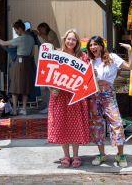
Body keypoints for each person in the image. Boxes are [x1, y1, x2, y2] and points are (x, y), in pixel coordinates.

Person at [87, 36, 132, 167]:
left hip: (108, 95)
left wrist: (130, 50)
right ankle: (102, 154)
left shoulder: (112, 57)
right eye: (91, 45)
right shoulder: (89, 60)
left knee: (117, 122)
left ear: (101, 45)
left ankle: (120, 155)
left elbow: (131, 66)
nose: (93, 47)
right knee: (96, 124)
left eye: (95, 44)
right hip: (93, 95)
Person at [48, 29, 90, 168]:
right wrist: (52, 89)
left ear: (77, 42)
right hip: (60, 96)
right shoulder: (57, 55)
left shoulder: (82, 57)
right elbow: (48, 75)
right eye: (69, 39)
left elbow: (87, 76)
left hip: (76, 97)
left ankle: (76, 155)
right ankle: (66, 156)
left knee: (75, 124)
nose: (71, 41)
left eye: (73, 39)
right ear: (64, 39)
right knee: (62, 125)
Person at [0, 19, 35, 116]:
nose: (16, 32)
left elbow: (4, 43)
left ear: (20, 28)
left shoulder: (20, 38)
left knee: (15, 86)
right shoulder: (31, 38)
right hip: (28, 62)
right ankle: (24, 109)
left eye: (16, 30)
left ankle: (14, 110)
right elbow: (32, 53)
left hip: (19, 63)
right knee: (25, 86)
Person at [37, 23, 60, 114]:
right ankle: (48, 105)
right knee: (47, 85)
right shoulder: (47, 33)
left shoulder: (51, 33)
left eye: (40, 30)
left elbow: (48, 44)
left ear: (44, 28)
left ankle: (50, 106)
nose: (40, 32)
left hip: (53, 59)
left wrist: (40, 35)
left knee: (50, 85)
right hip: (49, 59)